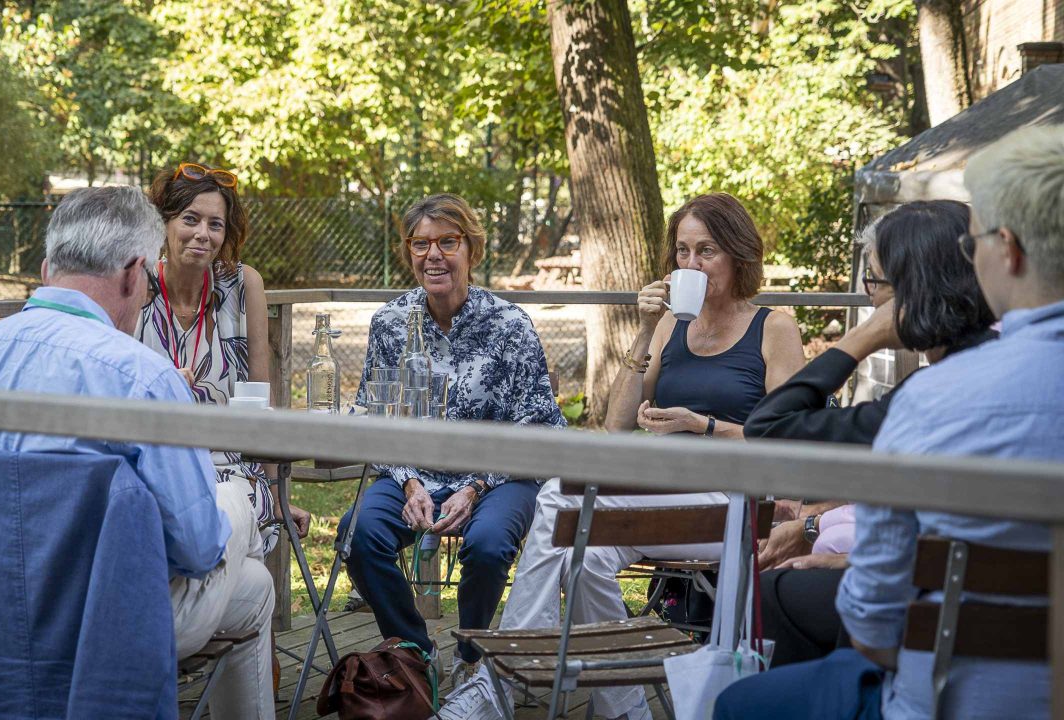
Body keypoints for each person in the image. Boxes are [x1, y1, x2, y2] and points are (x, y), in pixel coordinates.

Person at [715, 124, 1064, 720]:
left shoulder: (932, 400)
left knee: (742, 704)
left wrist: (868, 332)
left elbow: (872, 628)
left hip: (950, 701)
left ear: (1006, 249)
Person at [440, 192, 806, 720]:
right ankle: (625, 709)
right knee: (585, 558)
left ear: (738, 255)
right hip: (667, 490)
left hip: (737, 501)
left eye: (706, 252)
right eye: (681, 252)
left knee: (558, 499)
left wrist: (699, 425)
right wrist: (641, 329)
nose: (690, 264)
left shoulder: (773, 328)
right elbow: (616, 424)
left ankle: (500, 680)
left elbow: (787, 438)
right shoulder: (669, 324)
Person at [0, 186, 274, 718]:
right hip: (103, 622)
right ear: (137, 274)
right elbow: (198, 548)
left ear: (48, 267)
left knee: (254, 587)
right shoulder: (143, 376)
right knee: (235, 511)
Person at [742, 200, 997, 667]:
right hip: (995, 607)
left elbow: (769, 427)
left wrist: (862, 338)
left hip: (934, 627)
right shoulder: (1005, 363)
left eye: (874, 282)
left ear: (910, 293)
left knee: (773, 594)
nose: (869, 298)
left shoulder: (926, 398)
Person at [337, 193, 565, 684]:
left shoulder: (510, 325)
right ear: (409, 252)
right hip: (413, 474)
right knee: (358, 535)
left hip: (498, 478)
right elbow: (373, 417)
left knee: (486, 545)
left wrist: (477, 484)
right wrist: (408, 482)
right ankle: (416, 651)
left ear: (472, 250)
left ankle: (471, 655)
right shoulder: (390, 323)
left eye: (447, 241)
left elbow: (542, 420)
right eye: (421, 244)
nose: (433, 254)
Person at [135, 162, 309, 555]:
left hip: (234, 474)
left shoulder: (242, 285)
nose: (203, 234)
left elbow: (257, 400)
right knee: (233, 565)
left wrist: (277, 493)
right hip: (158, 470)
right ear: (164, 223)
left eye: (216, 224)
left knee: (221, 524)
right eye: (190, 219)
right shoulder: (136, 286)